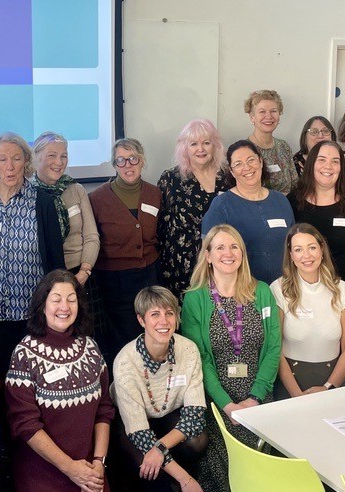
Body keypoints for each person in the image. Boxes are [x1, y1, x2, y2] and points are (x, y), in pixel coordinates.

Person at [181, 225, 280, 492]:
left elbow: (273, 348)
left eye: (234, 246)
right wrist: (227, 405)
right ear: (208, 256)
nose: (228, 253)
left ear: (243, 254)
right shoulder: (194, 300)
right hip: (216, 400)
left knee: (261, 472)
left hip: (258, 396)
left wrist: (255, 397)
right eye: (221, 247)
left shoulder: (261, 292)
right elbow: (199, 359)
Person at [5, 270, 114, 492]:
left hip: (91, 474)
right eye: (56, 300)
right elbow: (25, 424)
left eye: (71, 300)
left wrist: (98, 463)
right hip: (42, 477)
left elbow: (104, 409)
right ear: (42, 305)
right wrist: (70, 469)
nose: (64, 307)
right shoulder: (24, 354)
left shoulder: (91, 348)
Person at [0, 132, 64, 388]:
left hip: (31, 312)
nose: (10, 166)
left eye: (16, 158)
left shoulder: (42, 202)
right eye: (3, 159)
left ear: (26, 160)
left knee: (31, 380)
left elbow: (56, 261)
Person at [113, 287, 207, 492]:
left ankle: (174, 472)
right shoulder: (125, 362)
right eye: (155, 314)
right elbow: (138, 432)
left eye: (169, 313)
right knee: (146, 465)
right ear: (141, 320)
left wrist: (160, 447)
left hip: (169, 415)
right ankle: (176, 479)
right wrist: (186, 480)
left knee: (197, 441)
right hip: (133, 422)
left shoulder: (188, 349)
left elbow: (195, 415)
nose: (164, 321)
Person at [89, 138, 160, 364]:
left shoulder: (155, 194)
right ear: (114, 164)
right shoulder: (97, 198)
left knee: (151, 328)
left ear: (141, 161)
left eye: (133, 159)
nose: (127, 165)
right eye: (121, 160)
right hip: (114, 280)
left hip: (150, 274)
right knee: (122, 337)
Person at [271, 223, 345, 400]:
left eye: (312, 247)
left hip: (333, 382)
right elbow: (275, 348)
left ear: (321, 249)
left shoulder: (341, 289)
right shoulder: (278, 289)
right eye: (298, 249)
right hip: (290, 384)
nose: (306, 256)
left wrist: (329, 387)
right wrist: (296, 394)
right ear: (291, 255)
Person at [30, 131, 102, 332]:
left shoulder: (76, 189)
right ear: (36, 158)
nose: (59, 162)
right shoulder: (28, 193)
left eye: (64, 156)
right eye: (52, 155)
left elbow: (91, 236)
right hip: (44, 280)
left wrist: (83, 273)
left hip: (80, 276)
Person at [287, 141, 345, 288]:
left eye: (335, 161)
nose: (328, 166)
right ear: (311, 164)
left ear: (342, 168)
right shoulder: (293, 201)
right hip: (302, 290)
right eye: (322, 160)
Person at [202, 139, 294, 285]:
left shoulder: (281, 201)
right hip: (242, 292)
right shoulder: (221, 205)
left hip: (283, 289)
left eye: (251, 160)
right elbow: (208, 253)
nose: (247, 167)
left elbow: (293, 246)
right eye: (238, 164)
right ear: (232, 172)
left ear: (261, 162)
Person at [156, 119, 230, 299]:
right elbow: (160, 225)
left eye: (206, 143)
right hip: (182, 263)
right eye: (194, 144)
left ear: (215, 145)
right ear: (184, 148)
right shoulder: (170, 179)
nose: (201, 149)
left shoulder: (228, 177)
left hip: (223, 259)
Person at [292, 115, 345, 193]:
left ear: (332, 136)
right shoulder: (294, 163)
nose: (320, 136)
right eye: (314, 132)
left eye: (325, 131)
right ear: (305, 136)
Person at [244, 89, 298, 193]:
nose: (268, 116)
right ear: (252, 117)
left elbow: (295, 185)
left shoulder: (284, 147)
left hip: (287, 207)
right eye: (262, 112)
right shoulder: (243, 151)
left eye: (273, 111)